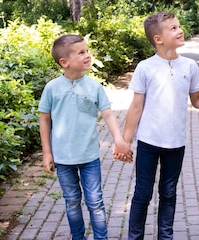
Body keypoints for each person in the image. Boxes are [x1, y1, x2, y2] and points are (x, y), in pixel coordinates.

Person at [118, 12, 199, 240]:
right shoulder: (145, 68)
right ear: (158, 39)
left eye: (178, 26)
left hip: (176, 143)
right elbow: (136, 108)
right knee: (142, 193)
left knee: (169, 192)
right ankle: (135, 237)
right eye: (173, 28)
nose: (180, 30)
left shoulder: (190, 66)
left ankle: (166, 236)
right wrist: (125, 141)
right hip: (148, 141)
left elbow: (197, 100)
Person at [39, 34, 132, 240]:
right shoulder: (52, 88)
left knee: (95, 202)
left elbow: (108, 113)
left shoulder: (94, 86)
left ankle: (101, 238)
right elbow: (45, 120)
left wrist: (119, 139)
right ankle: (77, 237)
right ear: (64, 62)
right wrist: (47, 152)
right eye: (81, 52)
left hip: (90, 156)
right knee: (71, 200)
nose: (88, 55)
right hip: (63, 158)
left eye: (87, 51)